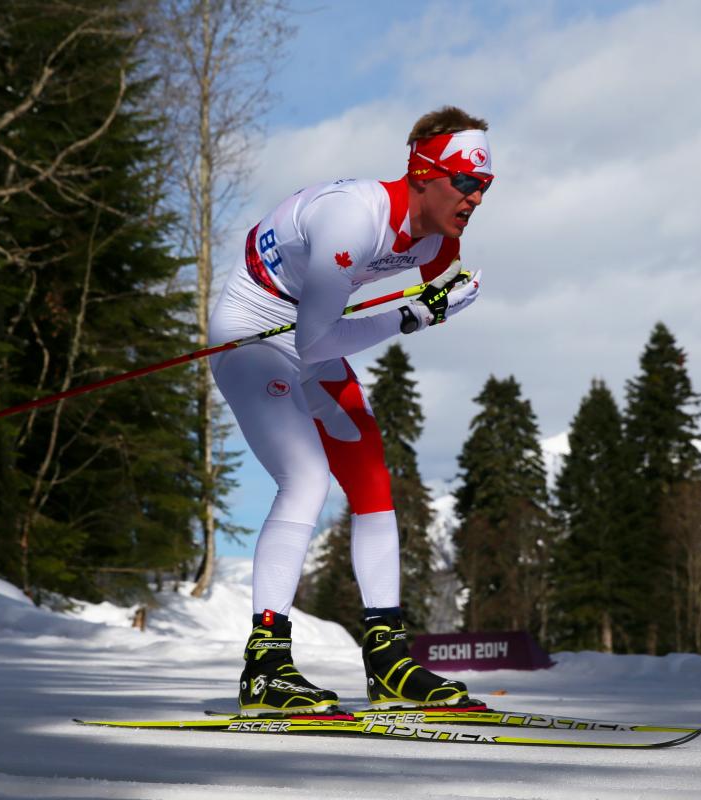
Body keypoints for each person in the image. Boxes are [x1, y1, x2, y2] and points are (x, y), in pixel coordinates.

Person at [209, 106, 492, 716]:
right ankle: (265, 666)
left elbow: (430, 280)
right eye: (466, 181)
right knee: (306, 477)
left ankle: (387, 660)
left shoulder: (442, 241)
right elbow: (316, 341)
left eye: (485, 185)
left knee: (372, 483)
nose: (476, 197)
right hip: (254, 331)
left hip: (309, 332)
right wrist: (415, 315)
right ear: (423, 173)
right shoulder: (352, 219)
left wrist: (445, 293)